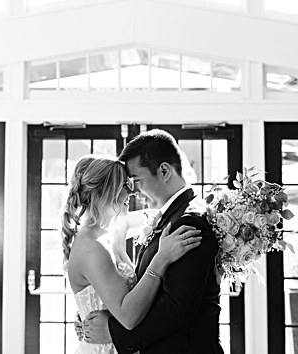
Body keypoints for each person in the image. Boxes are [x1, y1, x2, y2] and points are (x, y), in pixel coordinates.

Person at [79, 130, 224, 354]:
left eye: (136, 180)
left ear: (164, 171)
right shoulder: (171, 216)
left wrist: (113, 332)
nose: (133, 191)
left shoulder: (188, 222)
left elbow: (178, 308)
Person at [62, 154, 201, 354]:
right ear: (106, 190)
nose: (133, 192)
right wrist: (161, 258)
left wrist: (225, 216)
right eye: (125, 185)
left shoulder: (113, 228)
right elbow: (128, 317)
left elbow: (166, 211)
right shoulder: (91, 247)